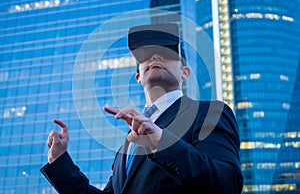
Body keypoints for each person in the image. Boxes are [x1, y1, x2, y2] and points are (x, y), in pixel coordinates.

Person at [40, 23, 243, 194]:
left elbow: (227, 183)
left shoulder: (209, 112)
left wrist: (160, 140)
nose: (155, 57)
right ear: (138, 77)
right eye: (146, 56)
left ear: (185, 72)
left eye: (166, 53)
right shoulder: (127, 146)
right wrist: (60, 162)